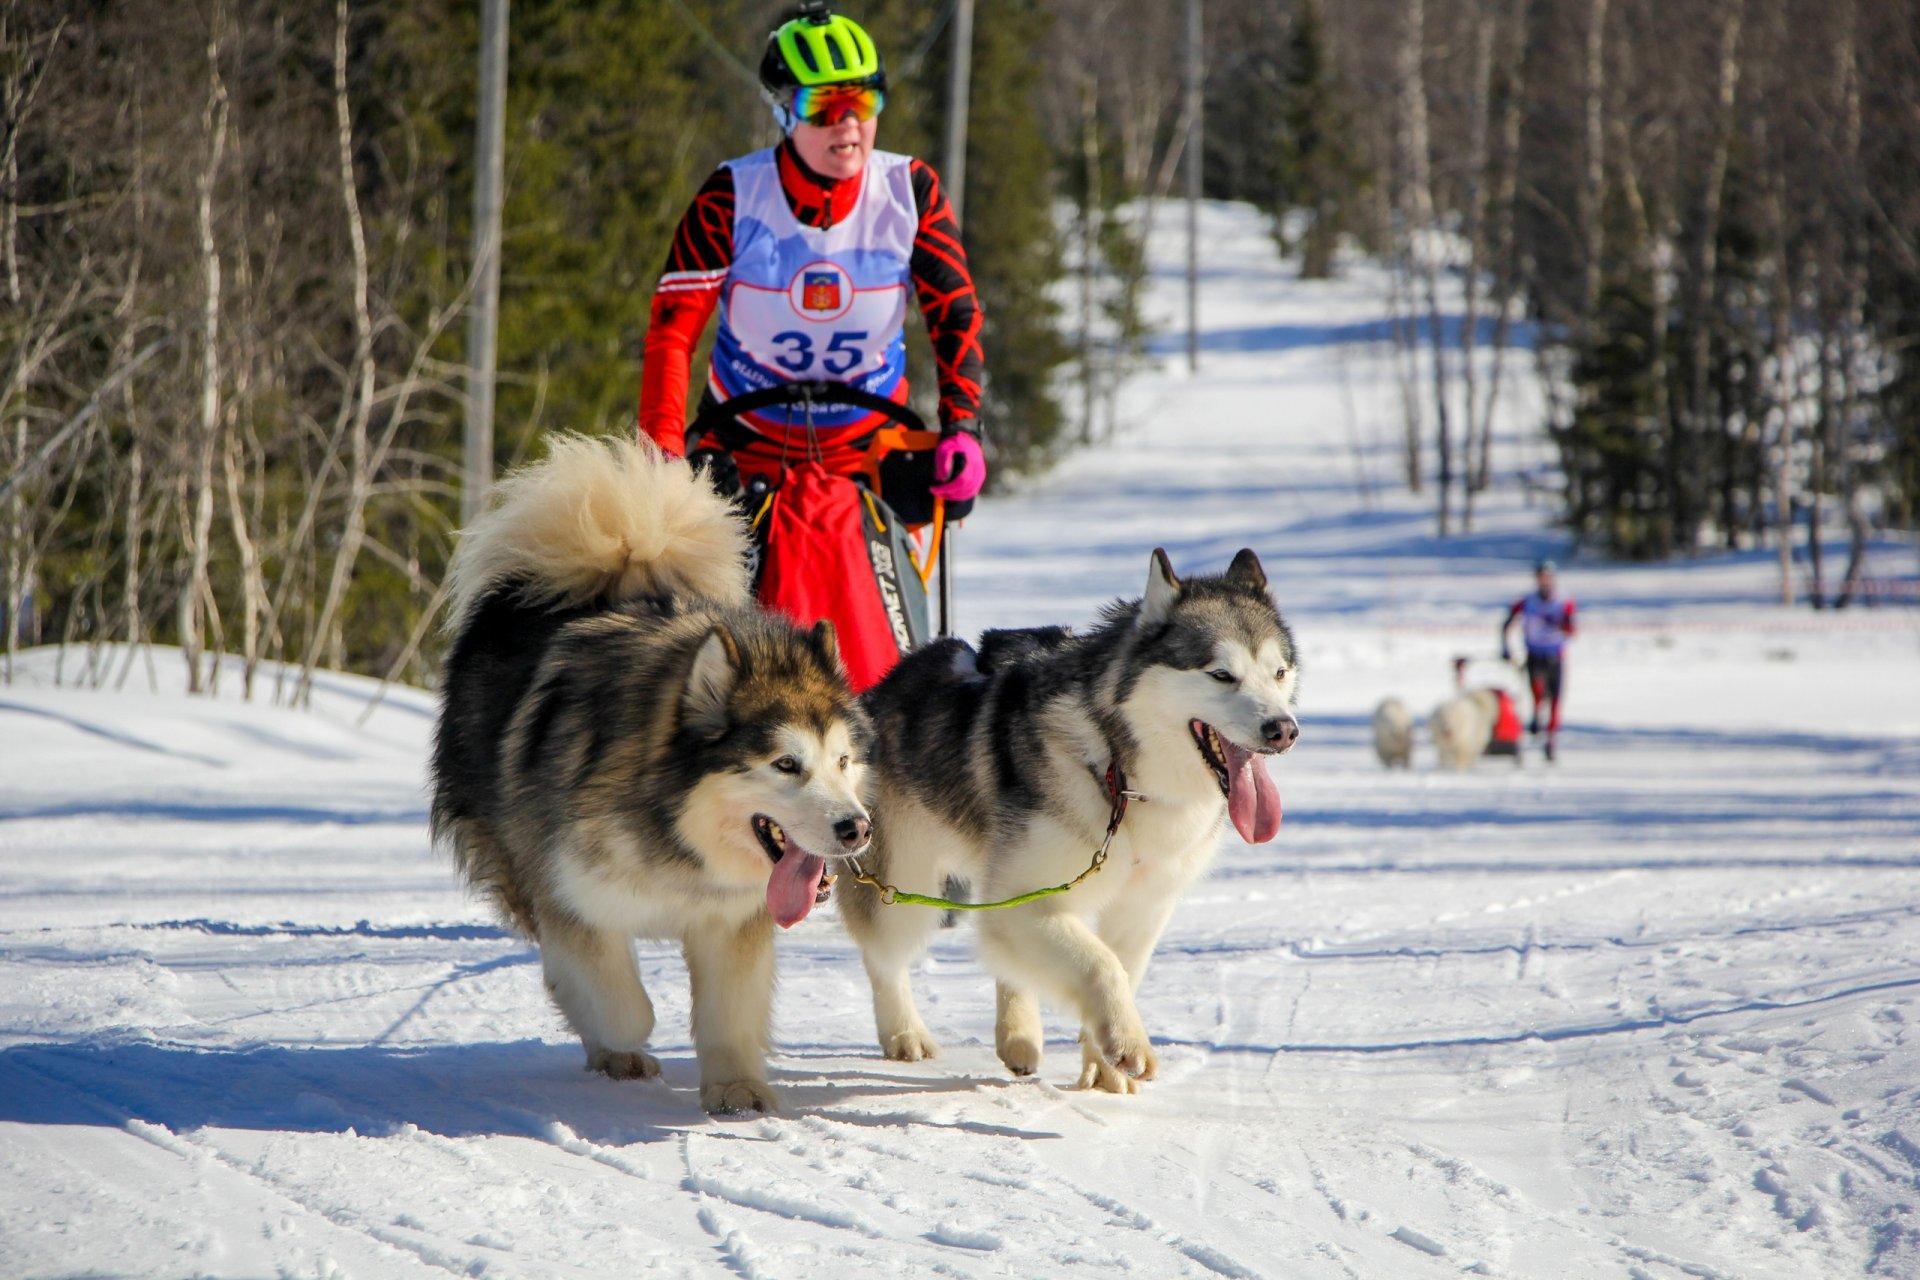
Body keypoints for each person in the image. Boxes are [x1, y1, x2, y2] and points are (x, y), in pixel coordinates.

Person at [637, 2, 986, 509]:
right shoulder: (730, 197)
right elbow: (672, 330)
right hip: (742, 445)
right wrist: (663, 450)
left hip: (871, 451)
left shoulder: (911, 192)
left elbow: (955, 315)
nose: (847, 123)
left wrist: (963, 426)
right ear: (783, 111)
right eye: (822, 105)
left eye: (863, 100)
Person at [1501, 559, 1577, 761]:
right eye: (1541, 576)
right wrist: (1506, 648)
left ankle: (1551, 739)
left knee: (1555, 701)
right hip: (1534, 654)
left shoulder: (1563, 601)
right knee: (1537, 691)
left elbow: (1572, 629)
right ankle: (1536, 716)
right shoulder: (1527, 601)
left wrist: (1560, 625)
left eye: (1547, 576)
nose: (1544, 580)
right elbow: (1507, 623)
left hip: (1555, 655)